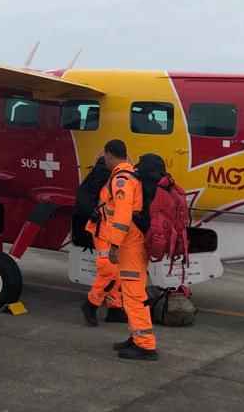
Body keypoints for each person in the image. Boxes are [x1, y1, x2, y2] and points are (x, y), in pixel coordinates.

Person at [87, 139, 158, 360]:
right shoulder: (129, 176)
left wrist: (114, 244)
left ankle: (145, 345)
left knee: (135, 296)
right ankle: (136, 337)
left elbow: (122, 216)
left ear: (109, 154)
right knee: (131, 294)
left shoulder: (121, 180)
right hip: (132, 243)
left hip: (129, 244)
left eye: (105, 156)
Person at [81, 147, 128, 328]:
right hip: (104, 230)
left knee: (118, 270)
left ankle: (115, 308)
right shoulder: (115, 178)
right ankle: (91, 305)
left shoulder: (120, 176)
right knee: (108, 269)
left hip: (113, 230)